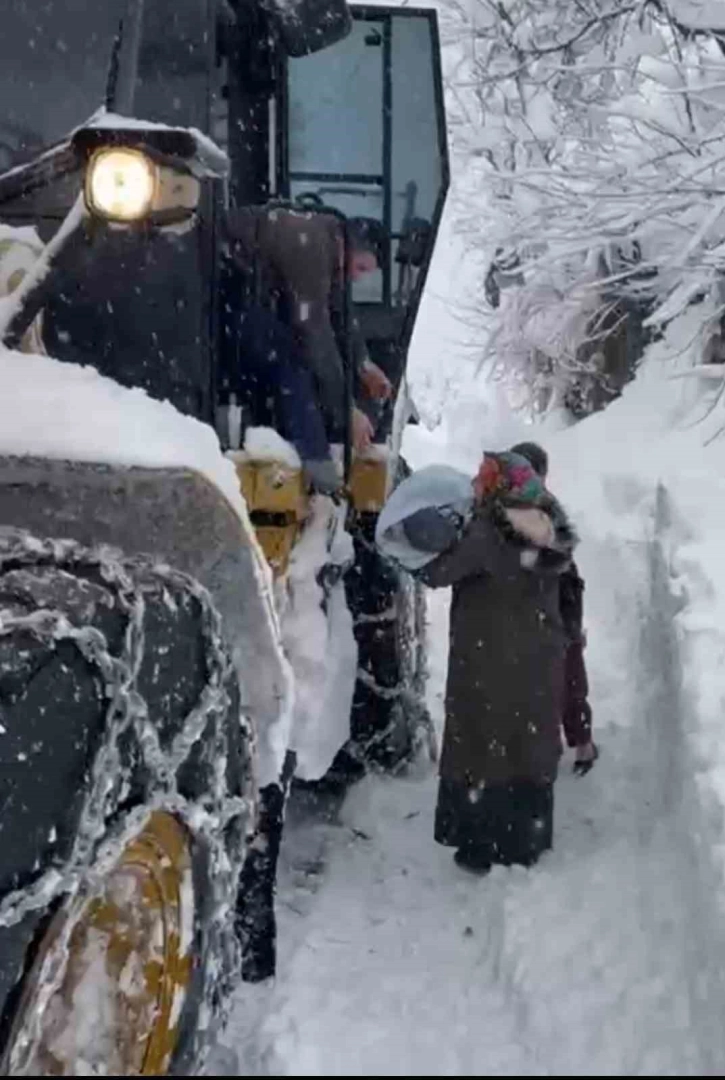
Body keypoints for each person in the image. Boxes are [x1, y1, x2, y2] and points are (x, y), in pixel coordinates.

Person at [421, 451, 577, 874]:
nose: (477, 482)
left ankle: (478, 842)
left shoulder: (489, 531)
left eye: (485, 477)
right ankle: (524, 839)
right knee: (525, 744)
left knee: (481, 743)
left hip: (487, 657)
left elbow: (436, 572)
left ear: (501, 485)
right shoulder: (546, 523)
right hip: (537, 658)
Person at [225, 205, 392, 492]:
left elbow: (339, 315)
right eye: (361, 267)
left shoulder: (331, 251)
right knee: (295, 359)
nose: (358, 277)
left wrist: (364, 365)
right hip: (219, 296)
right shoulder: (312, 246)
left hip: (245, 297)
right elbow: (315, 331)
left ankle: (316, 458)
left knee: (299, 353)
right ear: (349, 245)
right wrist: (347, 411)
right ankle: (319, 470)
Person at [510, 442, 598, 775]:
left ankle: (579, 742)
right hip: (550, 601)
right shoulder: (532, 507)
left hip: (557, 600)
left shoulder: (529, 509)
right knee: (563, 673)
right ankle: (575, 743)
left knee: (565, 671)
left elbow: (561, 552)